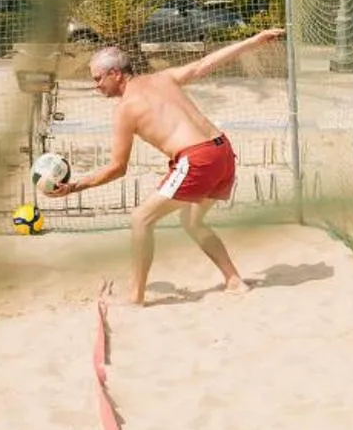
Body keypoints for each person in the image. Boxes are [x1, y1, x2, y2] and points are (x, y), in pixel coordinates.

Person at [46, 29, 284, 305]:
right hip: (224, 151)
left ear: (116, 74)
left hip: (198, 158)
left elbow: (117, 168)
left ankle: (135, 296)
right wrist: (253, 41)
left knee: (141, 219)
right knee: (192, 221)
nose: (95, 86)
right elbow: (204, 64)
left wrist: (75, 187)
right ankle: (234, 280)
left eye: (98, 78)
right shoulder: (162, 78)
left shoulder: (125, 109)